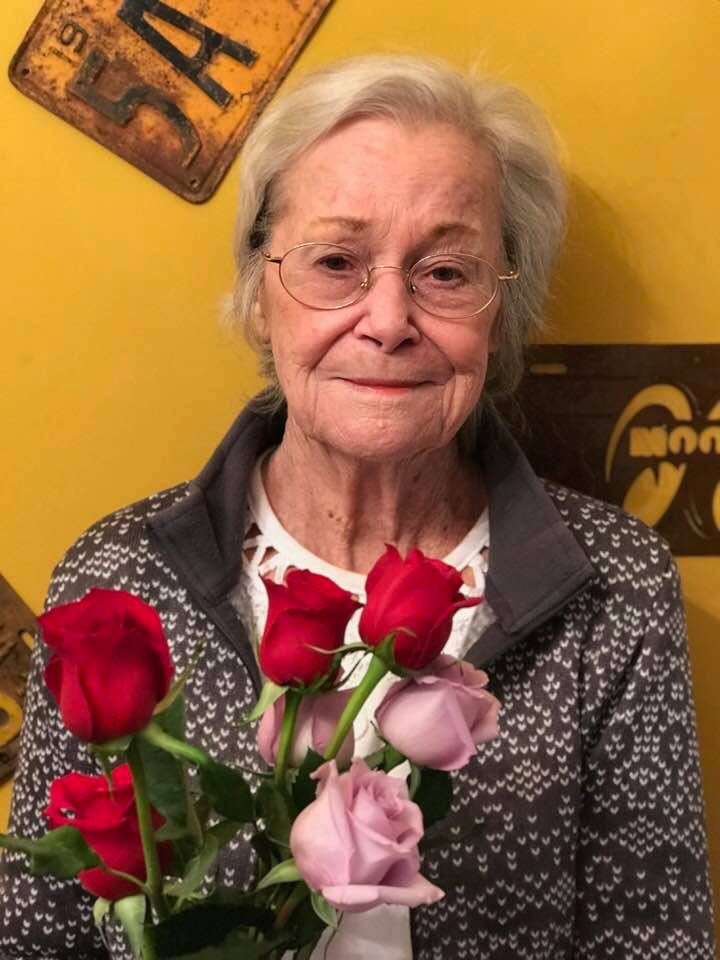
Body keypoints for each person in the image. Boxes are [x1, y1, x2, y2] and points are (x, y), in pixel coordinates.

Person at [0, 54, 714, 960]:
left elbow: (652, 940)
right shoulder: (118, 578)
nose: (387, 321)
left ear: (503, 310)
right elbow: (39, 934)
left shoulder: (615, 588)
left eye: (445, 273)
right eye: (336, 261)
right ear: (260, 296)